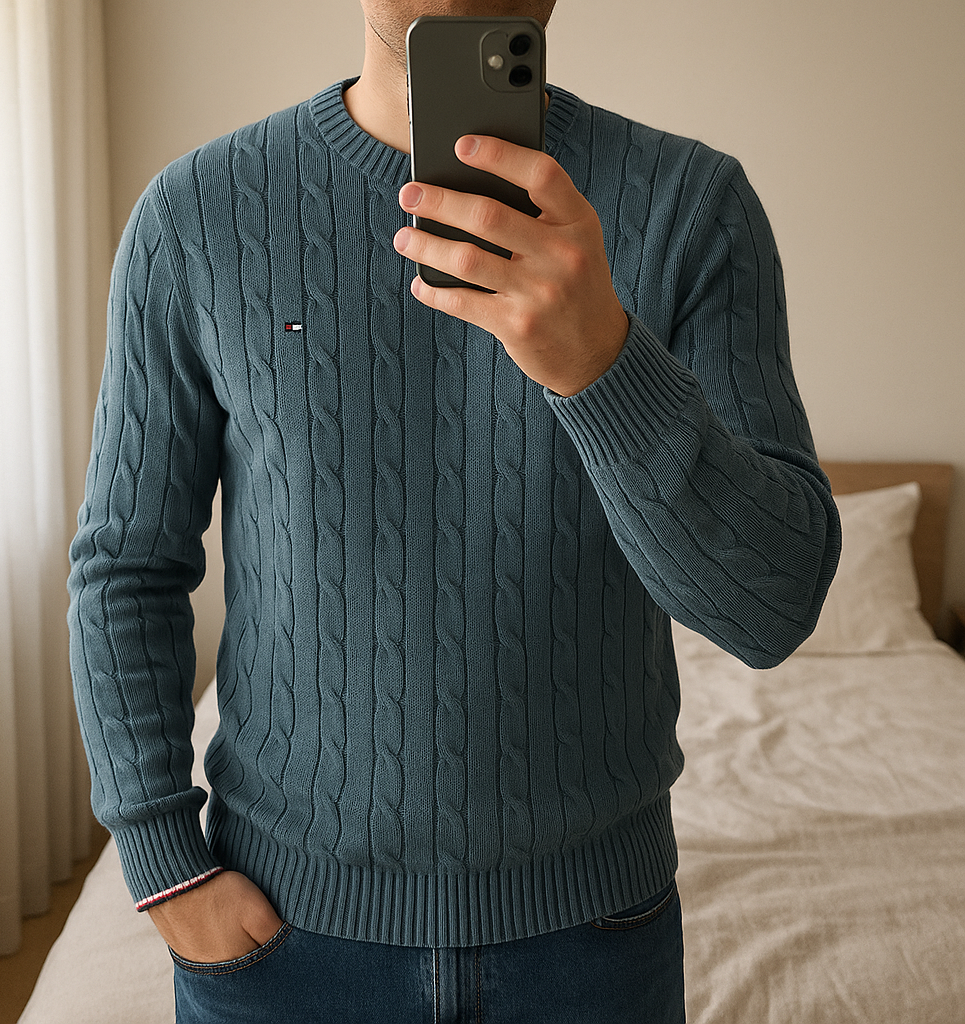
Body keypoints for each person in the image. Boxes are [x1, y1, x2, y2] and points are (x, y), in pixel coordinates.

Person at [67, 1, 841, 1020]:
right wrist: (163, 860)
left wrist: (602, 366)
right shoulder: (196, 215)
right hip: (283, 942)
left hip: (594, 940)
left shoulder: (690, 207)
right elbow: (128, 566)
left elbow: (770, 608)